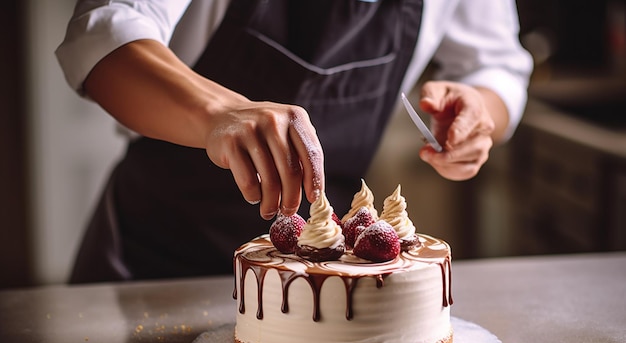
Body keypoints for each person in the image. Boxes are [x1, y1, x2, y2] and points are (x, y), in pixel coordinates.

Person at [56, 0, 533, 284]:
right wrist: (217, 112)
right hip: (154, 259)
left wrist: (478, 112)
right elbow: (102, 38)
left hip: (326, 279)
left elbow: (496, 65)